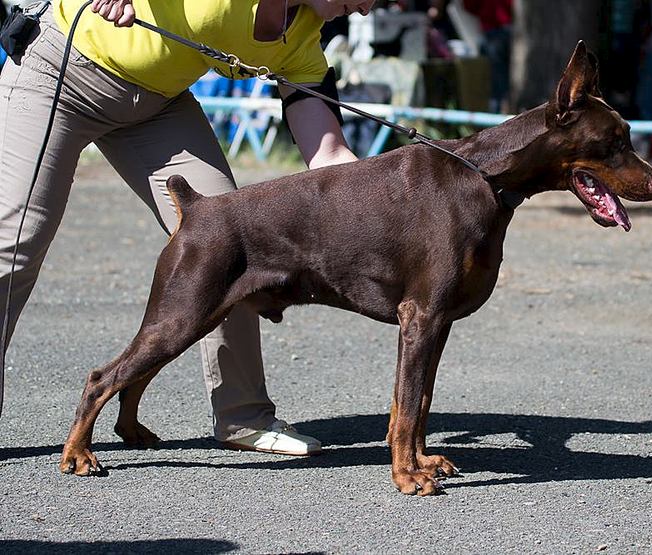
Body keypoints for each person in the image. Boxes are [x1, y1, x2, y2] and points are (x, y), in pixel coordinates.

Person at [0, 0, 373, 455]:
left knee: (230, 242)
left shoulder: (303, 37)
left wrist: (379, 203)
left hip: (157, 103)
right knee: (15, 241)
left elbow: (331, 158)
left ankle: (243, 419)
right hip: (61, 70)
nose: (367, 9)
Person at [462, 0, 512, 113]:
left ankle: (497, 114)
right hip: (508, 30)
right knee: (503, 81)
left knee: (495, 82)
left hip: (491, 32)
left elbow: (469, 6)